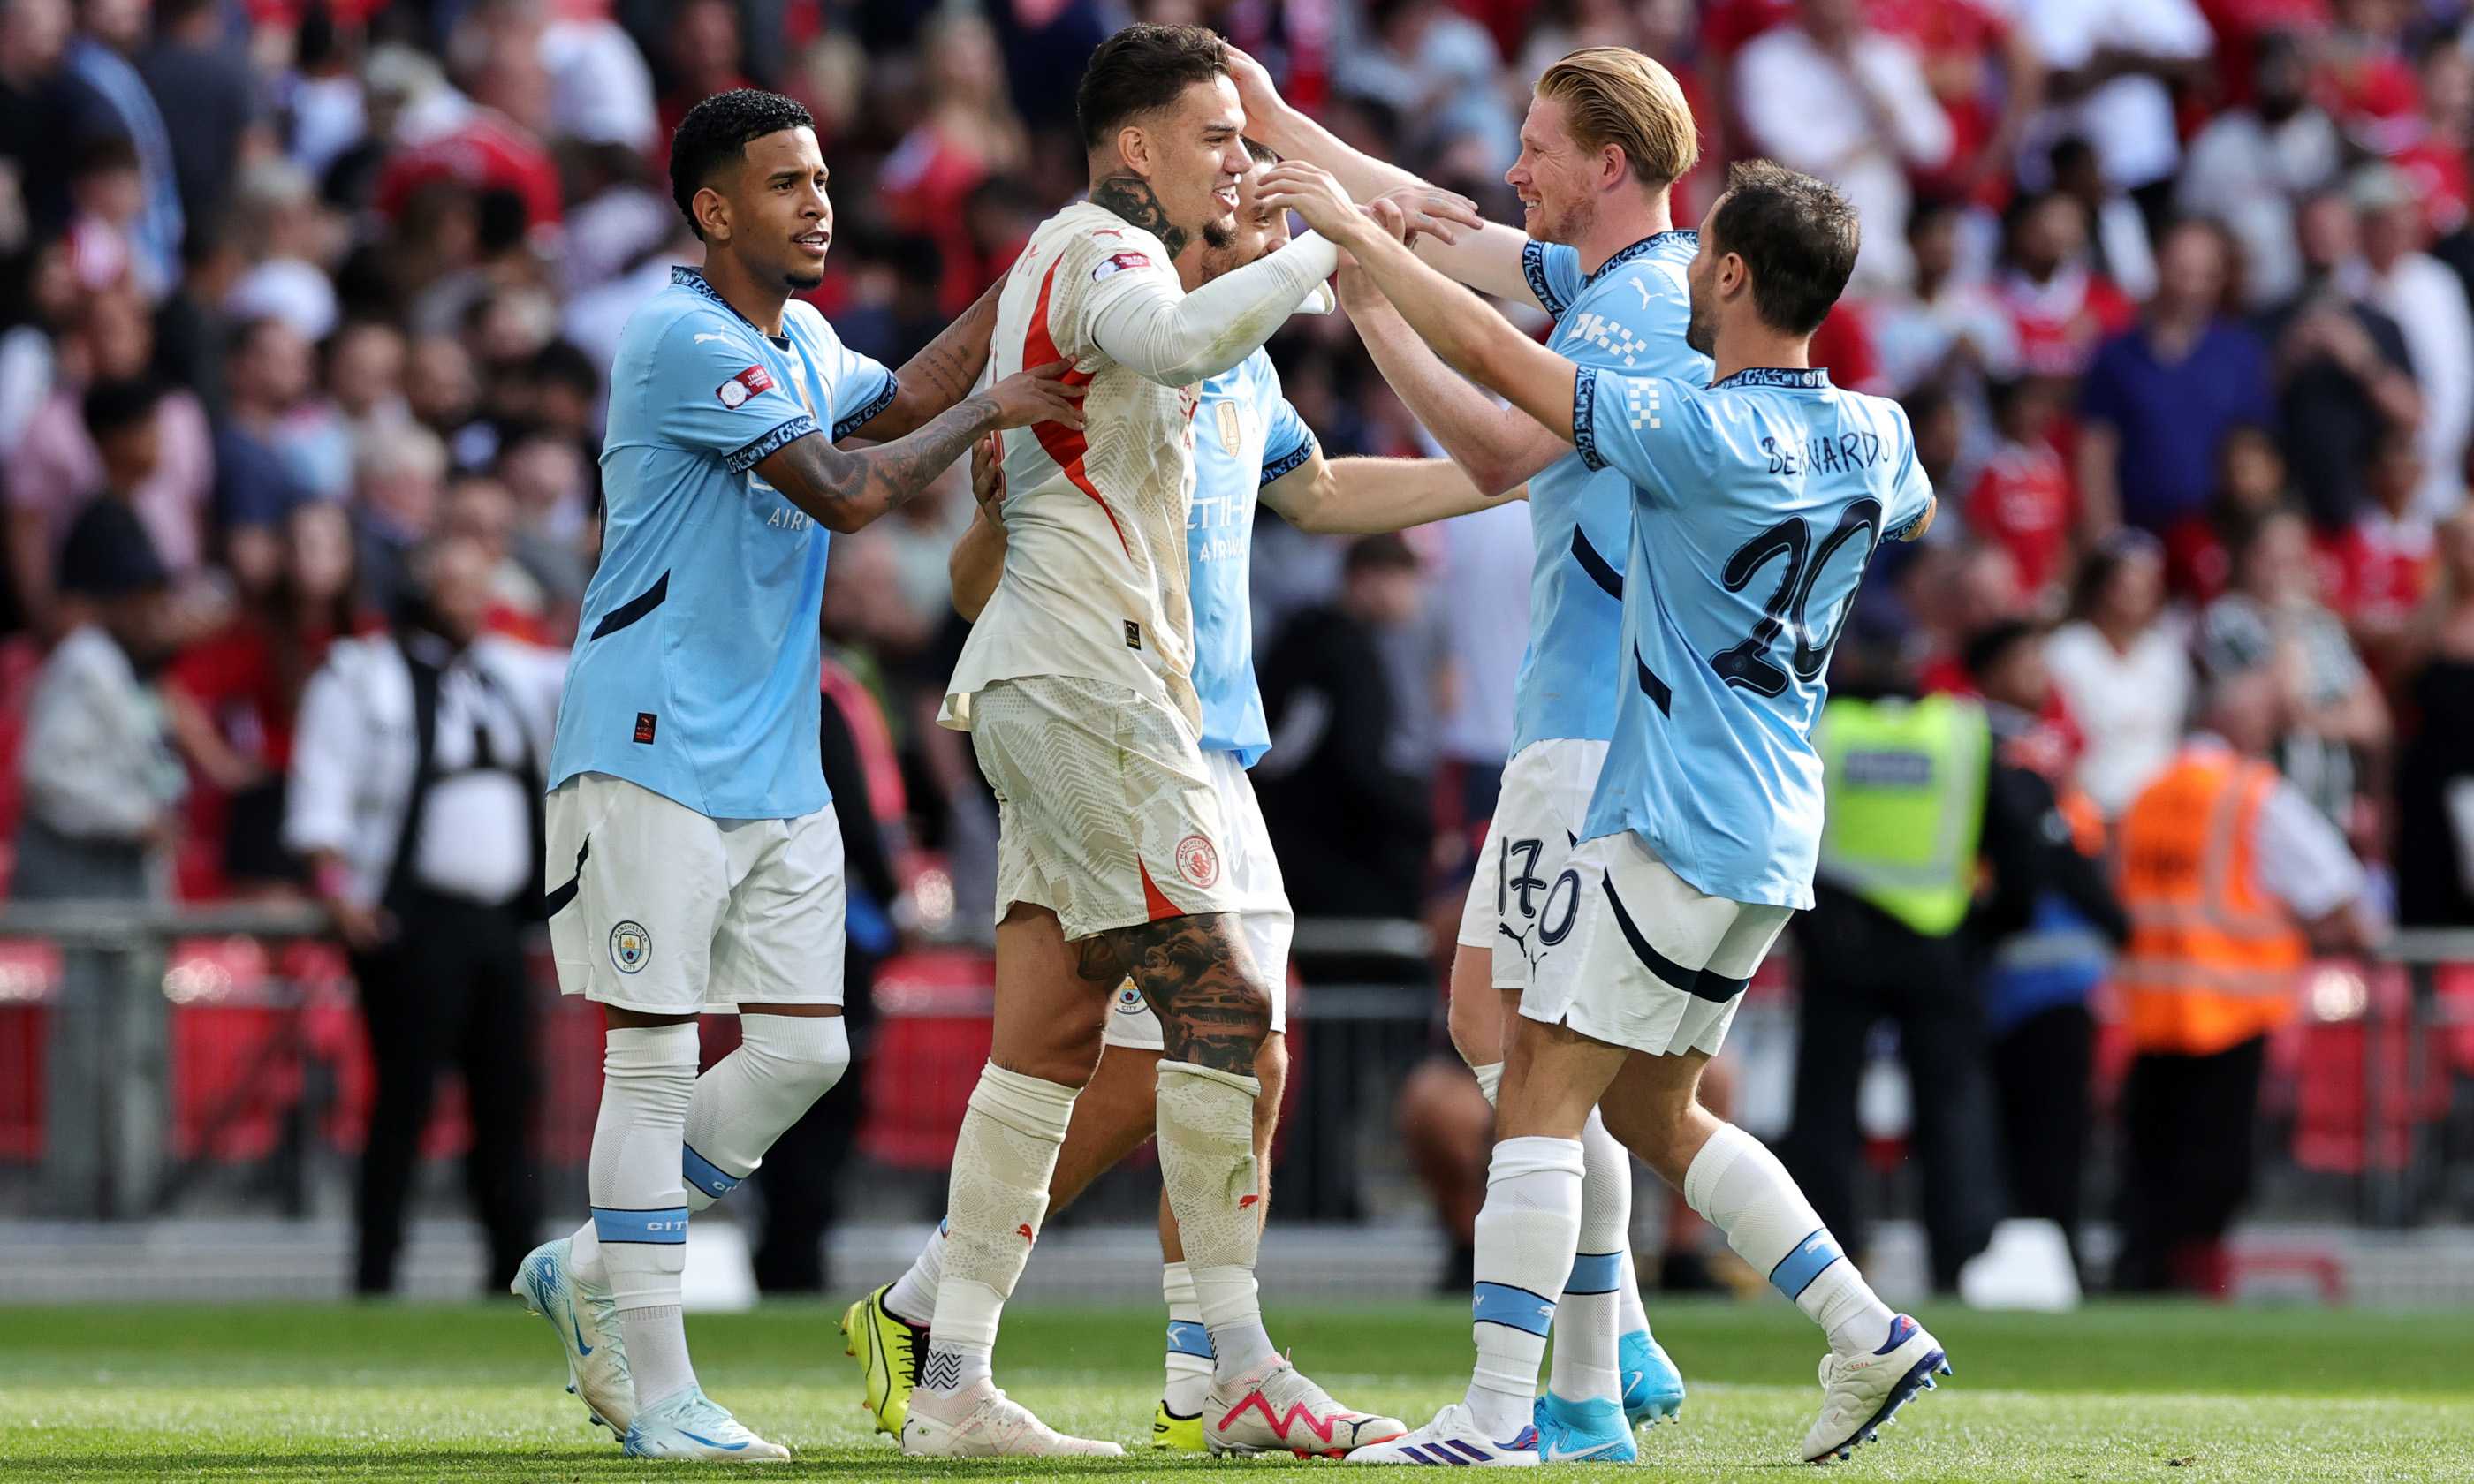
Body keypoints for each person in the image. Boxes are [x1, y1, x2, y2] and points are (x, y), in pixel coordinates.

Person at [1260, 155, 1944, 1465]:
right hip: (1777, 818)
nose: (1682, 273)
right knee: (1655, 1113)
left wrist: (1359, 245)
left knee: (1536, 1092)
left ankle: (1498, 1416)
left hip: (1675, 806)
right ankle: (1865, 1332)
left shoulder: (1690, 431)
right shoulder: (1881, 430)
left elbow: (1504, 380)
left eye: (1701, 259)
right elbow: (1902, 516)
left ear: (1736, 275)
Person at [844, 145, 1508, 1455]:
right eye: (1244, 182)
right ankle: (1216, 1367)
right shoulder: (1109, 332)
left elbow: (1316, 495)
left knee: (1134, 1043)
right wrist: (998, 509)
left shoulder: (1243, 367)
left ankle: (960, 1341)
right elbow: (982, 584)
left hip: (1206, 737)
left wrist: (1507, 469)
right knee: (1222, 1023)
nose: (1257, 197)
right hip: (1110, 716)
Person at [505, 87, 1079, 1463]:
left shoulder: (804, 336)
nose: (818, 202)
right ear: (713, 212)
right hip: (648, 743)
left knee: (807, 1049)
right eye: (783, 184)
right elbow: (847, 485)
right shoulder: (677, 340)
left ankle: (586, 1268)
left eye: (820, 178)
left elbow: (913, 390)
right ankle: (658, 1387)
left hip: (769, 758)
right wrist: (1000, 401)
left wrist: (1052, 262)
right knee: (651, 1062)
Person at [916, 24, 1402, 1458]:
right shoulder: (1098, 253)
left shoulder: (1088, 262)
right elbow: (1182, 336)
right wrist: (1336, 236)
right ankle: (1234, 1370)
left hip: (1060, 678)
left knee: (1050, 1041)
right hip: (1086, 687)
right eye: (1218, 136)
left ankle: (947, 1382)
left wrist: (1265, 237)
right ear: (1135, 147)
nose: (1244, 161)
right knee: (1230, 1007)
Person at [1233, 43, 1713, 1449]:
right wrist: (1282, 129)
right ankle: (1614, 1335)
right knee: (1502, 1027)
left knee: (1534, 1050)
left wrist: (1369, 300)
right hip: (1580, 711)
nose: (1514, 173)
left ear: (1607, 167)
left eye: (1538, 150)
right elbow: (1431, 213)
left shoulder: (1633, 318)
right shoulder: (1613, 281)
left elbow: (1504, 456)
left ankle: (1571, 1378)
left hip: (1595, 716)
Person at [283, 532, 565, 1296]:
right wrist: (336, 888)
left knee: (508, 1099)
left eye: (480, 587)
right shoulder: (361, 675)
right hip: (410, 922)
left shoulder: (507, 674)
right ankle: (377, 1274)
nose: (470, 603)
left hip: (500, 922)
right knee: (403, 1101)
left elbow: (588, 673)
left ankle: (512, 1271)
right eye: (454, 587)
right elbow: (323, 783)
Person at [2112, 662, 2382, 1293]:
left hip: (2152, 1010)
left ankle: (2140, 1274)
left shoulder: (2147, 792)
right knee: (2214, 1167)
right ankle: (2187, 1278)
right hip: (2231, 1010)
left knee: (2149, 1163)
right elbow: (2339, 894)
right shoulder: (2255, 793)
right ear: (2240, 721)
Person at [14, 497, 186, 1216]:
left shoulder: (120, 668)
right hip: (90, 901)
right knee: (96, 1055)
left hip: (122, 899)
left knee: (133, 1053)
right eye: (146, 597)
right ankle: (87, 1202)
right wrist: (134, 819)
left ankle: (126, 1195)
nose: (158, 613)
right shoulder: (86, 663)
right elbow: (47, 774)